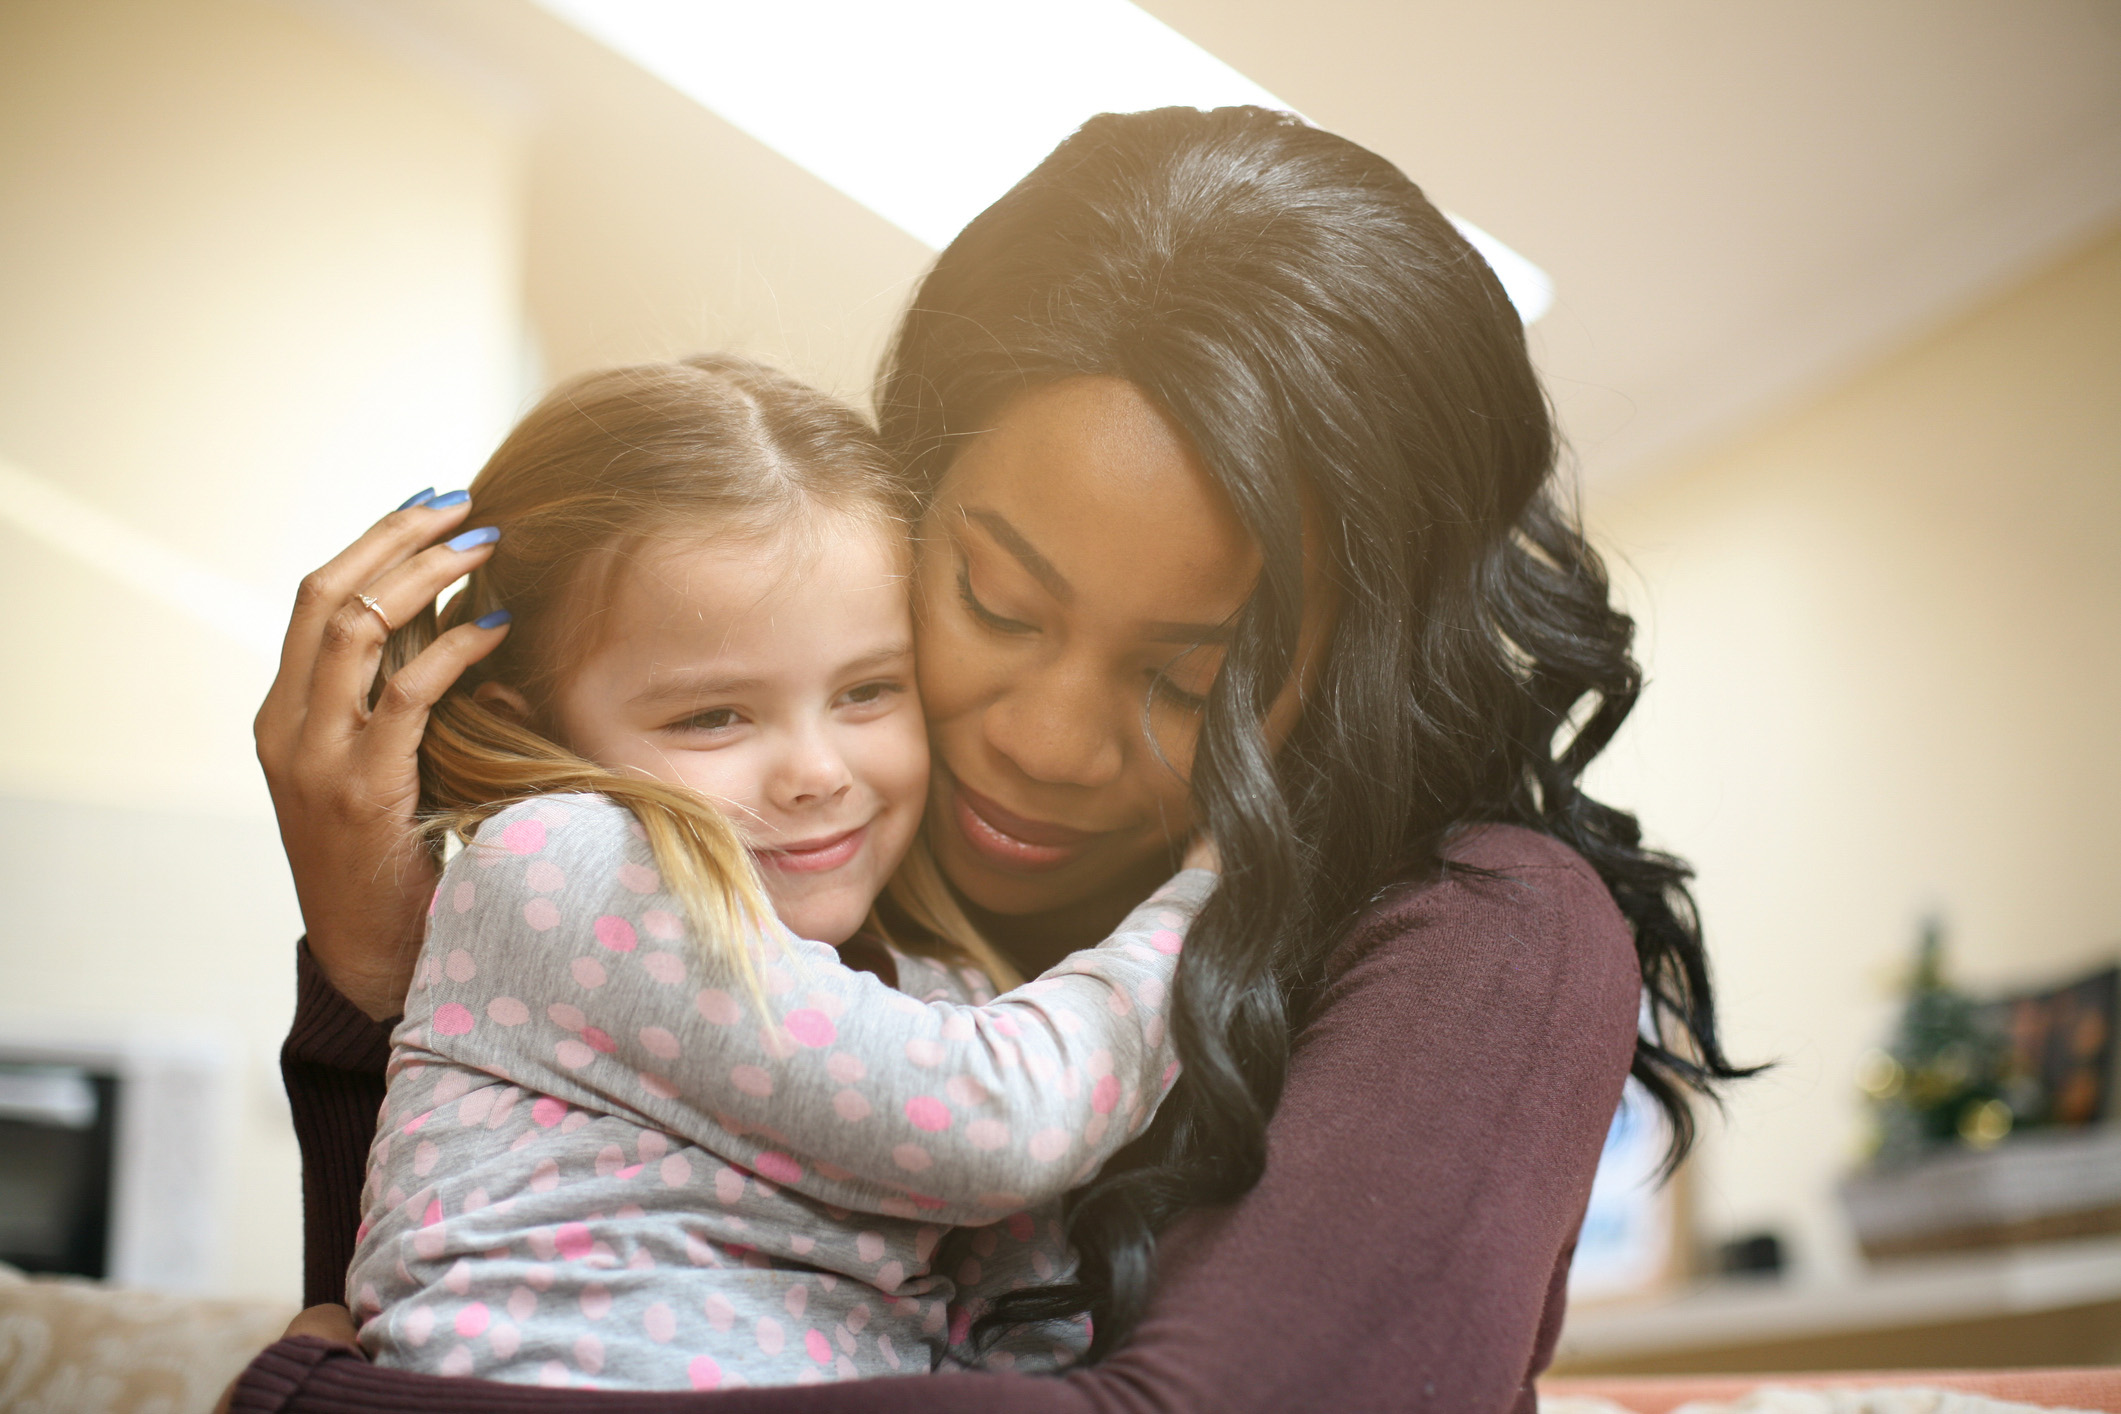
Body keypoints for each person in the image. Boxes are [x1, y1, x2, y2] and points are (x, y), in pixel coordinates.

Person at [234, 106, 1746, 1414]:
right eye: (995, 602)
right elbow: (499, 1310)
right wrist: (383, 978)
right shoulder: (809, 881)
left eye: (1186, 675)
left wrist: (322, 1399)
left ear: (1358, 674)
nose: (1041, 738)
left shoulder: (1486, 934)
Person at [346, 355, 1215, 1389]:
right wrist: (1227, 881)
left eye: (867, 690)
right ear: (535, 730)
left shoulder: (947, 999)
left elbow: (1024, 1338)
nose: (815, 772)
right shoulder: (551, 861)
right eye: (713, 715)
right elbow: (1006, 1126)